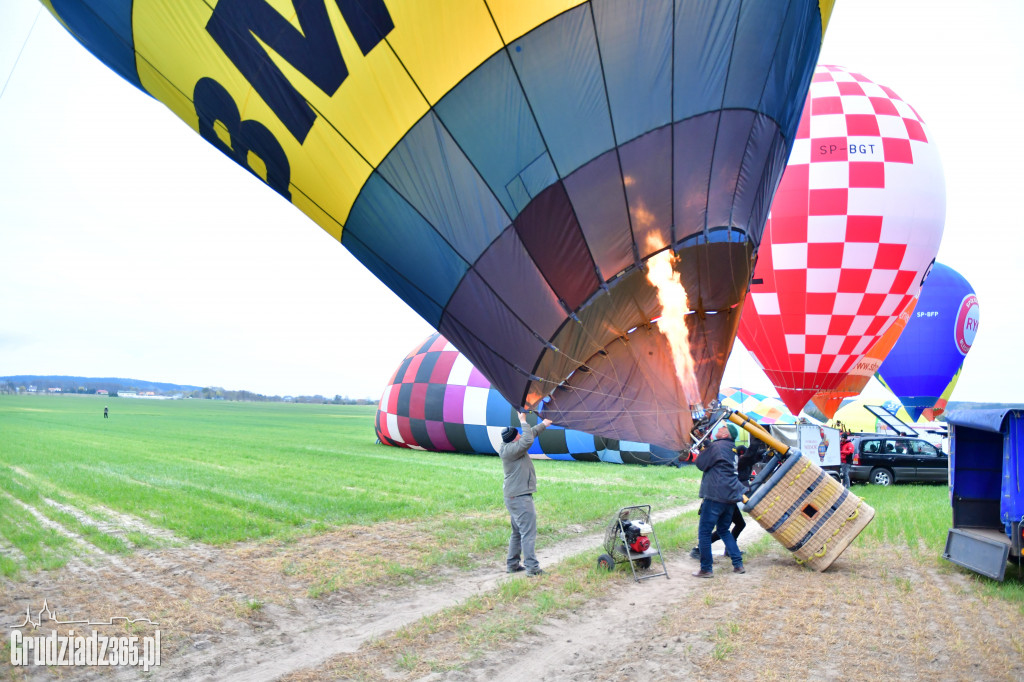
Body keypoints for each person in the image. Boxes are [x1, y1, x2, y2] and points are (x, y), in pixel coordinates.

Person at [688, 435, 760, 559]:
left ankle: (728, 551)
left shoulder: (744, 461)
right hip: (726, 496)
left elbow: (755, 455)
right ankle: (700, 549)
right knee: (723, 529)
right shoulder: (740, 462)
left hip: (730, 496)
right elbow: (751, 453)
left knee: (731, 527)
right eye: (741, 454)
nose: (742, 456)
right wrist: (756, 437)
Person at [500, 410, 552, 576]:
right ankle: (532, 568)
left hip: (514, 496)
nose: (520, 435)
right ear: (514, 438)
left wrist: (544, 424)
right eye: (518, 434)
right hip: (519, 497)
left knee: (517, 532)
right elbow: (528, 438)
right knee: (528, 533)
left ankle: (513, 564)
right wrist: (523, 419)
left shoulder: (511, 446)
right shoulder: (511, 450)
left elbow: (530, 434)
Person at [692, 422, 747, 578]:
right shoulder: (732, 448)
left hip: (716, 494)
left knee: (704, 533)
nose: (719, 428)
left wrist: (705, 448)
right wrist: (707, 446)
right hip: (730, 495)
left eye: (722, 427)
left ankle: (706, 569)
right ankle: (738, 564)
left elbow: (701, 464)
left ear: (726, 434)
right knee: (723, 530)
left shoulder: (716, 447)